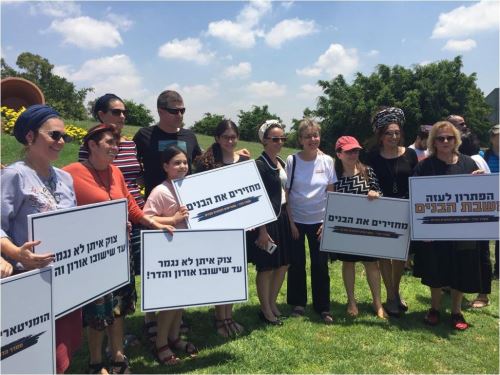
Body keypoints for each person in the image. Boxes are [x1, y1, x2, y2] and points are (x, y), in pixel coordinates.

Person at [64, 124, 173, 374]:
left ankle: (118, 356)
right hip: (94, 257)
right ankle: (95, 363)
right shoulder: (70, 173)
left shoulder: (116, 173)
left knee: (120, 308)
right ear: (92, 145)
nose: (114, 148)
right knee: (97, 313)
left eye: (116, 144)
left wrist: (154, 223)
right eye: (108, 143)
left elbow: (132, 207)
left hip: (120, 252)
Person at [1, 104, 81, 373]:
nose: (60, 142)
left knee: (61, 353)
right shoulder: (14, 175)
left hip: (64, 277)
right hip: (27, 281)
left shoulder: (66, 179)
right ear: (30, 137)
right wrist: (15, 253)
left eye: (64, 137)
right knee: (30, 354)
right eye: (54, 135)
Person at [413, 121, 485, 331]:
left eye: (449, 138)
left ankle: (456, 311)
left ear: (456, 140)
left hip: (463, 231)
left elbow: (479, 197)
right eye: (440, 138)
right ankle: (434, 309)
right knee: (435, 269)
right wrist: (422, 227)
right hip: (435, 231)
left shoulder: (469, 164)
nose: (445, 141)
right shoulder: (425, 166)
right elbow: (417, 198)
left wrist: (480, 181)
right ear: (433, 141)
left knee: (461, 269)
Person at [143, 146, 198, 365]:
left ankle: (175, 337)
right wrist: (174, 219)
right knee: (169, 300)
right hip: (168, 251)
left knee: (181, 298)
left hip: (188, 249)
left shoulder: (190, 188)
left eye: (185, 162)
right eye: (176, 163)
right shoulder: (161, 191)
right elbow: (146, 217)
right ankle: (161, 343)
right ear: (165, 166)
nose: (182, 166)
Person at [79, 94, 145, 276]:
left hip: (137, 210)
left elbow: (137, 177)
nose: (122, 116)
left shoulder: (131, 145)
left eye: (124, 112)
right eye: (116, 112)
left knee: (136, 268)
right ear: (101, 114)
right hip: (109, 216)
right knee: (114, 271)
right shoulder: (89, 147)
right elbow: (87, 183)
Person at [194, 120, 249, 337]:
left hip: (238, 228)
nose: (230, 140)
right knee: (220, 272)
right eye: (225, 136)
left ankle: (229, 316)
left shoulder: (244, 160)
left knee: (235, 273)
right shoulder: (205, 163)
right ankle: (220, 319)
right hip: (215, 228)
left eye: (233, 136)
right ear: (217, 138)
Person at [366, 107, 418, 317]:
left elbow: (419, 180)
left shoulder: (411, 154)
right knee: (383, 256)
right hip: (380, 210)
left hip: (403, 211)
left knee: (400, 256)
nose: (393, 137)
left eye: (397, 133)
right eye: (389, 133)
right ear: (380, 135)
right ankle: (390, 296)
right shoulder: (371, 157)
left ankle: (394, 292)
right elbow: (365, 179)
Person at [285, 118, 336, 324]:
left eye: (315, 135)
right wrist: (291, 223)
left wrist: (327, 222)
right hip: (297, 220)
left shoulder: (328, 161)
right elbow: (286, 194)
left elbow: (331, 192)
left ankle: (323, 306)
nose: (312, 139)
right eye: (308, 136)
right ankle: (298, 303)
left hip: (319, 221)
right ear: (300, 139)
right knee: (297, 264)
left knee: (320, 265)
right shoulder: (292, 160)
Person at [334, 136, 387, 319]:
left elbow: (380, 193)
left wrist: (375, 193)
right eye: (348, 151)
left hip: (367, 228)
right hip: (346, 228)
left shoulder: (367, 171)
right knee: (348, 263)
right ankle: (351, 301)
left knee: (372, 264)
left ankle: (378, 303)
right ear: (339, 154)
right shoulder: (334, 175)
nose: (353, 154)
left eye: (355, 150)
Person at [247, 120, 291, 325]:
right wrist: (262, 231)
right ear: (264, 141)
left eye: (283, 138)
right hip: (267, 221)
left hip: (281, 217)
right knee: (267, 267)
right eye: (275, 139)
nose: (279, 142)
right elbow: (257, 200)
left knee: (282, 264)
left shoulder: (279, 161)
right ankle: (265, 309)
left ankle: (272, 303)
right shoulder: (259, 165)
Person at [133, 90, 202, 198]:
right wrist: (139, 176)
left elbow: (200, 162)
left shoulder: (190, 136)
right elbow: (130, 160)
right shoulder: (144, 135)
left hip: (185, 199)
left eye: (182, 110)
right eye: (174, 111)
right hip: (156, 202)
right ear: (160, 111)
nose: (179, 115)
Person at [458, 132, 492, 308]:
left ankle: (483, 295)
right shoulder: (476, 158)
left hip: (479, 216)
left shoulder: (473, 160)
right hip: (472, 216)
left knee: (481, 254)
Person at [482, 125, 499, 279]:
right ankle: (485, 265)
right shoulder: (483, 155)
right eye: (497, 136)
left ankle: (498, 269)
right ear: (492, 139)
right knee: (487, 235)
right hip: (488, 200)